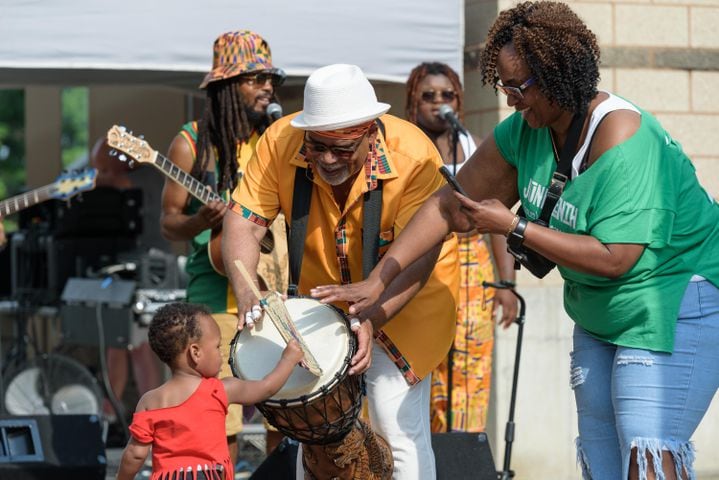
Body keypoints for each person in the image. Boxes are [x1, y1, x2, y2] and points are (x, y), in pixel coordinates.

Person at [315, 3, 719, 480]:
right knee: (603, 461)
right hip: (597, 310)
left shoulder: (623, 135)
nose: (509, 99)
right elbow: (449, 206)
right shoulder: (526, 133)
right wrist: (376, 281)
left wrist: (512, 227)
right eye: (502, 85)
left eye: (518, 86)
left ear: (558, 74)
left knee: (646, 453)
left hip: (671, 300)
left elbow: (617, 259)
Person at [223, 63, 460, 479]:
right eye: (318, 147)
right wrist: (247, 292)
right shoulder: (280, 142)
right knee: (316, 436)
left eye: (344, 148)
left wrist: (372, 314)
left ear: (372, 132)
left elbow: (420, 256)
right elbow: (243, 221)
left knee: (394, 425)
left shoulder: (416, 156)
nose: (329, 159)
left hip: (407, 299)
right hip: (324, 305)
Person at [161, 30, 288, 462]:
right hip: (214, 300)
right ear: (226, 87)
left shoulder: (277, 139)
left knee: (284, 418)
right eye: (254, 78)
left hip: (272, 294)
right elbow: (168, 223)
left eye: (270, 78)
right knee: (217, 420)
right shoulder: (192, 142)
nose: (267, 87)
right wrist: (198, 221)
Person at [405, 61, 518, 433]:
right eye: (428, 96)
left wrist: (506, 285)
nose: (438, 103)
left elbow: (495, 219)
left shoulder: (474, 147)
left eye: (447, 95)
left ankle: (464, 456)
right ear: (413, 102)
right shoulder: (404, 147)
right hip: (423, 269)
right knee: (428, 369)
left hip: (472, 272)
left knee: (470, 367)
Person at [115, 302, 303, 480]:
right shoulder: (220, 389)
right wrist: (288, 359)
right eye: (217, 346)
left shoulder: (150, 401)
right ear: (195, 353)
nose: (221, 354)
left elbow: (135, 454)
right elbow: (266, 388)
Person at [89, 137, 165, 426]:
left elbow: (121, 184)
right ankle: (110, 415)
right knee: (116, 342)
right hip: (125, 268)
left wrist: (96, 180)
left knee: (142, 346)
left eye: (106, 169)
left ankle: (152, 420)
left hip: (151, 267)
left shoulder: (145, 175)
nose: (102, 175)